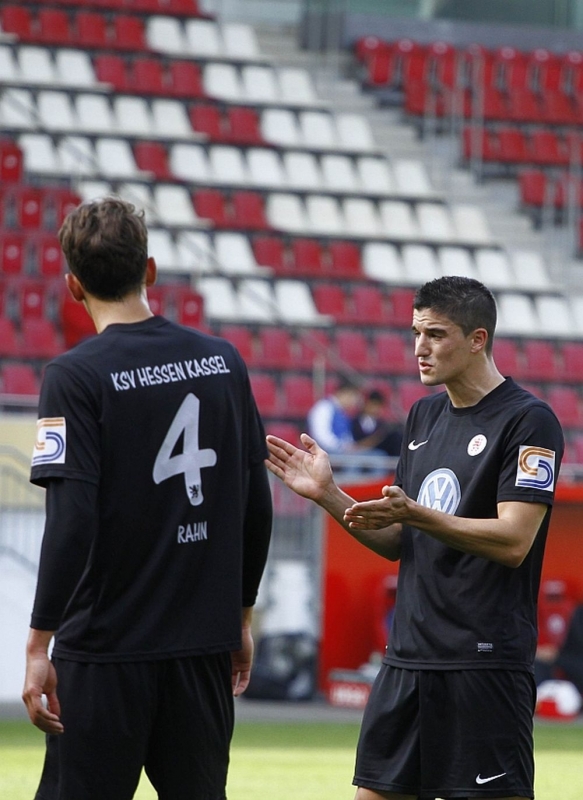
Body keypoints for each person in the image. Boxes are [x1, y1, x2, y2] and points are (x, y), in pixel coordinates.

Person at [266, 275, 564, 800]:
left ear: (478, 339)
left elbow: (515, 540)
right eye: (414, 332)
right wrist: (330, 495)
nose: (419, 348)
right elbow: (401, 539)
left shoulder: (528, 420)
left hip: (482, 664)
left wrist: (420, 515)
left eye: (435, 334)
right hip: (406, 659)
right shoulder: (423, 415)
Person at [22, 198, 273, 800]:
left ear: (73, 285)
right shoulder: (223, 361)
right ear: (151, 270)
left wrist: (38, 644)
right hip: (201, 648)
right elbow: (255, 502)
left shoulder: (74, 376)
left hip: (106, 651)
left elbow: (72, 521)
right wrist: (240, 617)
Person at [351, 388, 403, 458]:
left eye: (378, 406)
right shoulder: (354, 422)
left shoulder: (382, 425)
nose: (375, 409)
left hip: (379, 456)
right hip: (356, 455)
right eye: (373, 405)